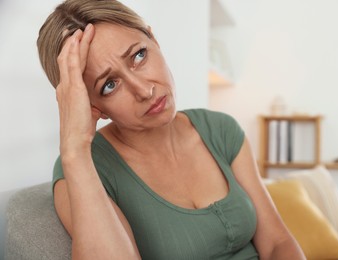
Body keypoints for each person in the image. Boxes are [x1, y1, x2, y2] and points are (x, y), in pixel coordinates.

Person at [37, 0, 306, 259]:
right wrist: (74, 150)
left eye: (139, 55)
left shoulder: (221, 130)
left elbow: (277, 244)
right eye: (109, 85)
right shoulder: (81, 171)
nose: (144, 90)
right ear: (93, 107)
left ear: (154, 40)